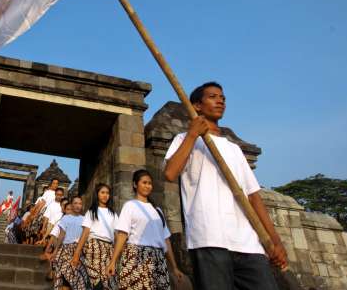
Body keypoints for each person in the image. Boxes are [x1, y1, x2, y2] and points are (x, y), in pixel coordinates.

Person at [163, 81, 287, 290]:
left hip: (248, 242)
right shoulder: (184, 139)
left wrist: (275, 240)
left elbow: (254, 196)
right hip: (208, 238)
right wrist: (193, 134)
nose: (220, 101)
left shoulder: (234, 149)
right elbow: (170, 173)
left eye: (223, 98)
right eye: (212, 97)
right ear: (197, 106)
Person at [107, 170, 183, 290]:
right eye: (144, 182)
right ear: (135, 184)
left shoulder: (158, 211)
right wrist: (113, 261)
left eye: (150, 183)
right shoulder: (130, 206)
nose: (148, 186)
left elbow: (166, 240)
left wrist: (174, 267)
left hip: (158, 259)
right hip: (136, 257)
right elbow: (122, 235)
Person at [71, 183, 118, 289]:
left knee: (108, 280)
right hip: (94, 247)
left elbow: (117, 236)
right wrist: (77, 253)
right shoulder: (91, 212)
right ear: (97, 194)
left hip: (109, 249)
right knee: (96, 280)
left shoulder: (113, 214)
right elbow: (85, 233)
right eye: (102, 193)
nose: (105, 195)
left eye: (107, 193)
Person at [50, 196, 90, 290]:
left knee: (79, 278)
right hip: (66, 250)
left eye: (80, 203)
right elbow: (61, 236)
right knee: (64, 276)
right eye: (75, 203)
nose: (78, 206)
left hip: (80, 250)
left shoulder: (85, 219)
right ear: (72, 205)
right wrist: (55, 251)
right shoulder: (65, 218)